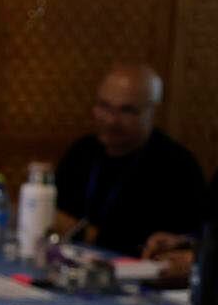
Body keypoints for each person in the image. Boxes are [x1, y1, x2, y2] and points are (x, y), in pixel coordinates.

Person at [53, 65, 204, 258]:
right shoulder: (82, 151)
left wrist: (85, 233)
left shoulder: (177, 166)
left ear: (152, 111)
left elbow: (169, 245)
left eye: (127, 111)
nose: (111, 120)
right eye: (104, 106)